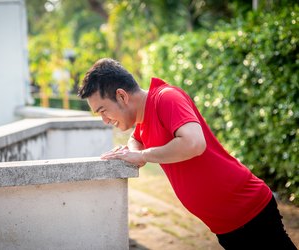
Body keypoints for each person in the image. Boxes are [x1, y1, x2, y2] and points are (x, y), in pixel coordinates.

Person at [78, 58, 297, 250]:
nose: (105, 120)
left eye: (103, 110)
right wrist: (133, 152)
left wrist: (143, 156)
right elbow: (136, 138)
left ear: (122, 96)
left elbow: (194, 143)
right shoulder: (143, 120)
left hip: (249, 212)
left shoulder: (166, 98)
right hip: (226, 225)